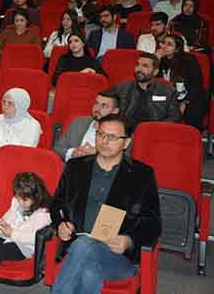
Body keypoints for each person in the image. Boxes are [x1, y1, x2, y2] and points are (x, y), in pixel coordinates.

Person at [50, 114, 161, 294]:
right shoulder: (76, 167)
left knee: (84, 245)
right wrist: (61, 223)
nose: (104, 141)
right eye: (101, 134)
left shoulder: (141, 175)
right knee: (89, 272)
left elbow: (153, 222)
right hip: (76, 245)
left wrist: (129, 240)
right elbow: (57, 204)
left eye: (112, 137)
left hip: (117, 256)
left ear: (126, 142)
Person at [108, 52, 182, 128]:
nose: (139, 69)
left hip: (154, 130)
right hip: (126, 130)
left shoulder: (168, 91)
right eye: (137, 64)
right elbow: (105, 102)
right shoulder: (122, 87)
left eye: (145, 66)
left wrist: (156, 129)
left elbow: (174, 118)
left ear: (155, 72)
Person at [157, 34, 207, 129]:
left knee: (195, 103)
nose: (164, 46)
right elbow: (153, 82)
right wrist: (156, 60)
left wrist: (184, 101)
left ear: (177, 49)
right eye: (163, 43)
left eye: (169, 44)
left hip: (189, 96)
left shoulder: (189, 60)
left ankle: (191, 134)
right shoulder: (160, 60)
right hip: (166, 97)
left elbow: (197, 84)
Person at [53, 92, 120, 162]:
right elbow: (58, 147)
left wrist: (98, 153)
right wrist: (73, 153)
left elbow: (123, 160)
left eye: (104, 106)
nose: (97, 108)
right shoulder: (78, 123)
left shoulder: (121, 132)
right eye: (96, 103)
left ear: (115, 111)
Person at [0, 88, 41, 157]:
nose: (5, 107)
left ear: (20, 105)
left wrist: (0, 154)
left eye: (10, 103)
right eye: (4, 102)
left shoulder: (33, 126)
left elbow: (25, 152)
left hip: (18, 162)